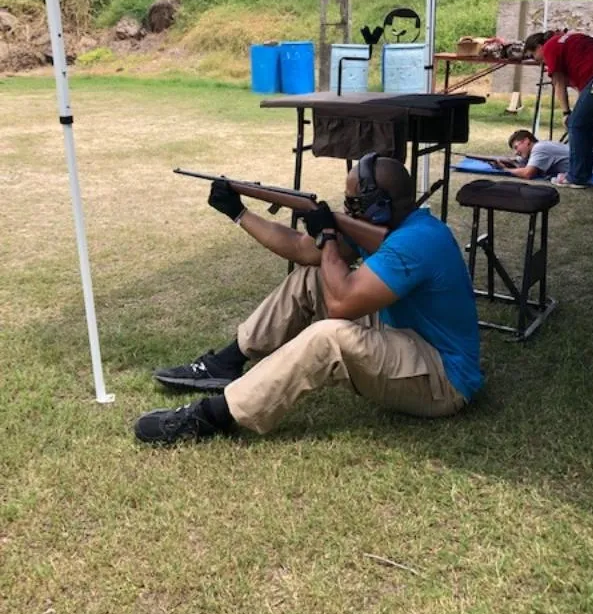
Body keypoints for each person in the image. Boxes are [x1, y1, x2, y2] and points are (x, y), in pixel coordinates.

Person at [134, 153, 483, 445]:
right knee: (312, 276)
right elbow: (303, 250)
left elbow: (340, 305)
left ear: (379, 208)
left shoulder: (417, 242)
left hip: (443, 381)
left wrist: (328, 234)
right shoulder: (400, 227)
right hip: (407, 338)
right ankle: (227, 361)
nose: (347, 208)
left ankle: (212, 415)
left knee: (327, 336)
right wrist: (240, 213)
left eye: (354, 203)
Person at [523, 30, 593, 187]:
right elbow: (584, 89)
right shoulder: (569, 39)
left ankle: (577, 177)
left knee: (576, 124)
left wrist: (566, 112)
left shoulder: (550, 47)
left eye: (532, 55)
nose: (537, 61)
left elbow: (558, 83)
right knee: (589, 120)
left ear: (539, 46)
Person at [499, 129, 593, 183]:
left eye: (516, 147)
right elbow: (521, 162)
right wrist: (511, 162)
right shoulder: (539, 147)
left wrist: (505, 170)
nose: (516, 152)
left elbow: (528, 173)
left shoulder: (540, 149)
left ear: (527, 141)